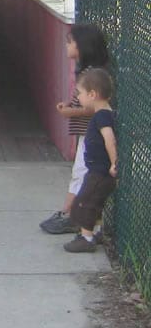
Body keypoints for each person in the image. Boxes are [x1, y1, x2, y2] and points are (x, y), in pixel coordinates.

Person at [40, 23, 110, 235]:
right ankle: (70, 212)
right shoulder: (88, 72)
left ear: (83, 47)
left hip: (92, 133)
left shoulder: (92, 75)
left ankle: (71, 214)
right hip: (86, 132)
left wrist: (70, 112)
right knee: (79, 171)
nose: (66, 45)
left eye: (70, 42)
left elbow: (94, 106)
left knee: (81, 172)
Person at [63, 67, 118, 253]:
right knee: (95, 201)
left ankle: (86, 238)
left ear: (93, 94)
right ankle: (95, 231)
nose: (78, 98)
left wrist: (114, 163)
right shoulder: (104, 114)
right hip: (99, 171)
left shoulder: (102, 116)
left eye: (80, 93)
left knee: (85, 202)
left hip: (100, 172)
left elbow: (109, 138)